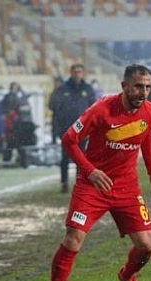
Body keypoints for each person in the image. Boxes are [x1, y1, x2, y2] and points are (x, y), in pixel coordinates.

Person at [37, 63, 151, 281]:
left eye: (147, 87)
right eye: (138, 86)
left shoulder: (150, 111)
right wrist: (90, 170)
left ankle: (127, 276)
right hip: (92, 185)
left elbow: (146, 135)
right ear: (124, 86)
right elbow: (68, 140)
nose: (143, 92)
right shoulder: (101, 110)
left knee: (146, 245)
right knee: (73, 239)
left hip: (126, 187)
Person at [49, 63, 96, 193]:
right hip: (67, 129)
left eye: (79, 71)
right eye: (75, 71)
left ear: (83, 73)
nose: (77, 74)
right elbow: (53, 106)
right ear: (71, 73)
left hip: (82, 130)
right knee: (65, 157)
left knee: (81, 158)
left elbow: (94, 108)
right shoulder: (63, 89)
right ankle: (64, 182)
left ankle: (79, 183)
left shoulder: (88, 89)